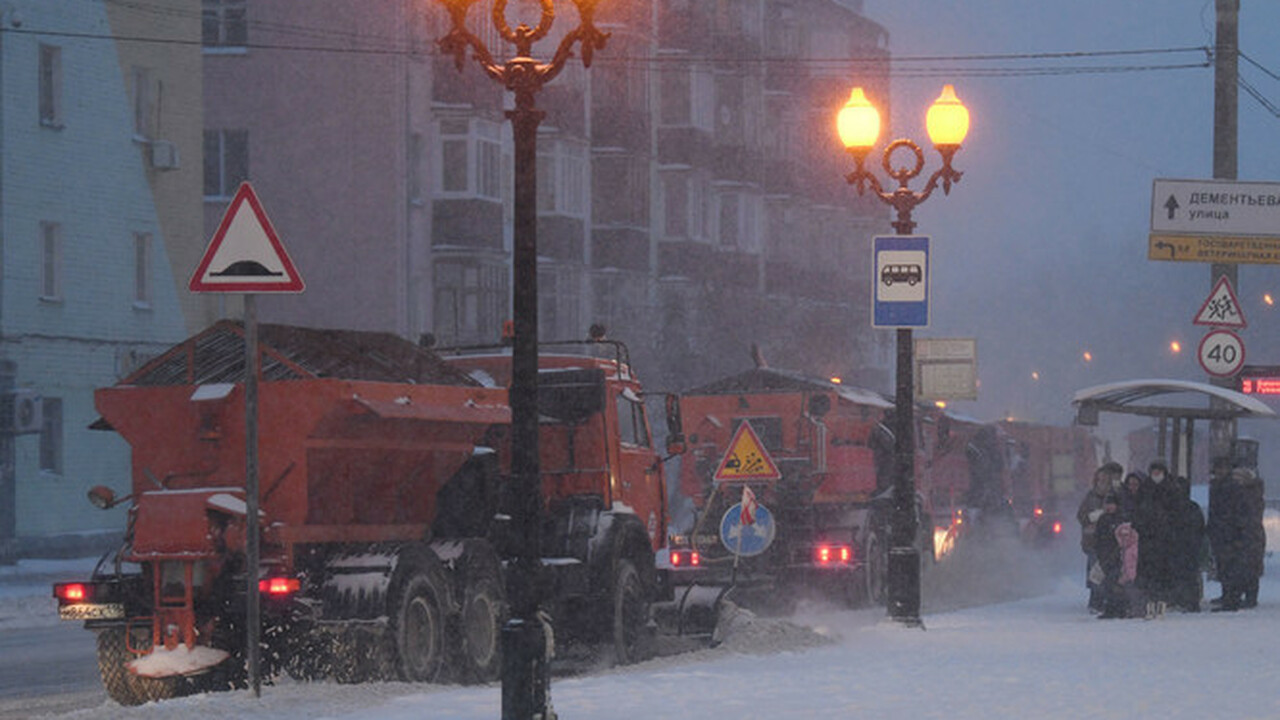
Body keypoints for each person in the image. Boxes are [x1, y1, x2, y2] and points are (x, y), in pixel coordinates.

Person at [1214, 464, 1266, 611]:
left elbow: (1247, 515)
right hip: (1244, 535)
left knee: (1248, 567)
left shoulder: (1250, 494)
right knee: (1239, 566)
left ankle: (1247, 597)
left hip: (1248, 535)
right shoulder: (1246, 493)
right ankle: (1234, 596)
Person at [1077, 464, 1118, 612]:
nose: (1101, 481)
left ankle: (1105, 600)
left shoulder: (1115, 495)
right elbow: (1081, 516)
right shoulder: (1090, 496)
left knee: (1108, 571)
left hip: (1110, 541)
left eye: (1105, 478)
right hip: (1093, 541)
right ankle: (1095, 602)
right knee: (1095, 571)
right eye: (1099, 478)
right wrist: (1090, 517)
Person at [1168, 475, 1206, 612]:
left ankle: (1190, 601)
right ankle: (1179, 598)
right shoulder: (1170, 507)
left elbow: (1199, 529)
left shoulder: (1192, 508)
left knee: (1188, 575)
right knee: (1179, 574)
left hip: (1187, 547)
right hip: (1177, 546)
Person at [1094, 493, 1130, 619]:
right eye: (1107, 504)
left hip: (1118, 556)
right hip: (1105, 556)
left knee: (1117, 583)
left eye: (1112, 504)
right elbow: (1097, 538)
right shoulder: (1102, 519)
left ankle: (1120, 608)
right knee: (1107, 584)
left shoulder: (1122, 519)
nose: (1109, 507)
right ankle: (1110, 608)